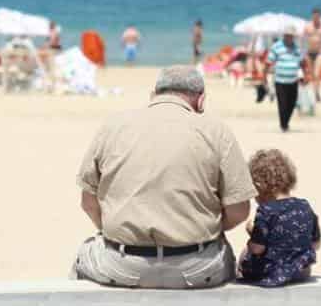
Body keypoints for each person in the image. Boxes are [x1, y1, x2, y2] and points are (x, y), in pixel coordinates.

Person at [73, 66, 256, 289]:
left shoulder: (114, 126)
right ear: (201, 101)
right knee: (228, 255)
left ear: (154, 96)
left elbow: (88, 202)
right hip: (198, 267)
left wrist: (116, 230)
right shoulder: (217, 131)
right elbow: (239, 210)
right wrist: (204, 227)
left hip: (121, 265)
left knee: (83, 255)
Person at [238, 149, 321, 287]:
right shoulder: (304, 206)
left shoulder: (266, 211)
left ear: (258, 186)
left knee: (245, 253)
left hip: (272, 272)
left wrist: (252, 232)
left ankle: (240, 274)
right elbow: (315, 244)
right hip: (302, 271)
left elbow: (257, 248)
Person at [266, 26, 303, 132]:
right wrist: (264, 76)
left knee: (292, 103)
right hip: (280, 80)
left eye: (291, 36)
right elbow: (268, 62)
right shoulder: (276, 47)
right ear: (284, 36)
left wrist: (305, 76)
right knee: (282, 103)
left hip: (293, 80)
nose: (289, 38)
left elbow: (301, 62)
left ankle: (286, 122)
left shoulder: (297, 48)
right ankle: (283, 125)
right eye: (287, 35)